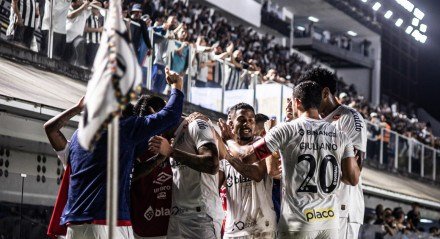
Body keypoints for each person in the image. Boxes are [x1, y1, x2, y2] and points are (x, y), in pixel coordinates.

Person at [43, 69, 184, 239]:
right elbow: (170, 115)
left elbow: (50, 130)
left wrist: (78, 108)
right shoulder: (123, 128)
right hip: (107, 224)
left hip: (74, 227)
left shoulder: (78, 136)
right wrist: (177, 86)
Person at [219, 81, 360, 239]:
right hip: (330, 223)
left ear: (297, 102)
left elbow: (246, 156)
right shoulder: (341, 135)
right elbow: (352, 179)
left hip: (298, 222)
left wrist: (228, 140)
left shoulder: (287, 130)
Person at [297, 68, 367, 239]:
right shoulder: (314, 121)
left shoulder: (349, 118)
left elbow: (352, 172)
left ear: (325, 92)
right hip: (318, 207)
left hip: (342, 207)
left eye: (312, 94)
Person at [148, 113, 223, 238]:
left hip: (200, 218)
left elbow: (212, 164)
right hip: (177, 217)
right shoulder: (175, 137)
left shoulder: (196, 125)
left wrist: (170, 152)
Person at [218, 103, 277, 238]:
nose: (247, 123)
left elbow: (257, 174)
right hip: (233, 229)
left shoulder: (261, 144)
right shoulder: (225, 150)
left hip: (261, 228)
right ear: (231, 123)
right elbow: (215, 185)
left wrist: (229, 156)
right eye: (241, 119)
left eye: (251, 120)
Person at [130, 95, 172, 239]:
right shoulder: (133, 144)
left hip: (173, 227)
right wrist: (160, 158)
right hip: (139, 228)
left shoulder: (175, 136)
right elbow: (132, 175)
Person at [65, 0, 96, 66]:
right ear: (73, 2)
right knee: (65, 59)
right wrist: (83, 6)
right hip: (66, 37)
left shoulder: (85, 10)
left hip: (77, 38)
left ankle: (77, 67)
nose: (80, 2)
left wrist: (88, 2)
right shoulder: (68, 7)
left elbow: (97, 6)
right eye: (78, 1)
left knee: (80, 46)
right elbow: (70, 16)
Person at [84, 1, 104, 67]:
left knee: (93, 64)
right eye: (96, 7)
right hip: (89, 42)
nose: (98, 9)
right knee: (89, 63)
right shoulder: (87, 15)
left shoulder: (99, 17)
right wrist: (98, 29)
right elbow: (85, 29)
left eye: (99, 8)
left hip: (97, 43)